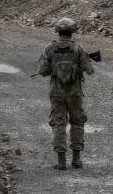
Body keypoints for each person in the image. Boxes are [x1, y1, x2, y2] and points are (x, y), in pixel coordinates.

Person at [37, 17, 95, 170]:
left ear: (58, 31)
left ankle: (61, 161)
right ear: (72, 32)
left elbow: (42, 71)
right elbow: (90, 70)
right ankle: (76, 159)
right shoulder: (78, 49)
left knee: (59, 124)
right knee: (77, 123)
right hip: (75, 93)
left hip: (57, 93)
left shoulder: (50, 49)